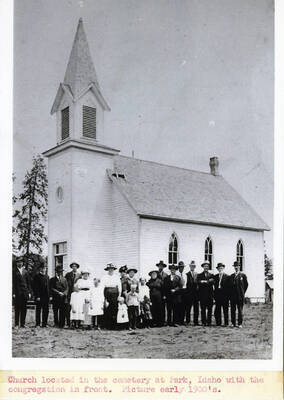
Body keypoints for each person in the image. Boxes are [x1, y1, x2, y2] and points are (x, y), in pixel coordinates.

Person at [12, 256, 32, 328]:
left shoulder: (25, 271)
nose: (19, 263)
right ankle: (17, 324)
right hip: (17, 293)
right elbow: (12, 283)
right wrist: (13, 293)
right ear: (16, 263)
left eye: (20, 262)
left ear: (22, 263)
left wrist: (29, 292)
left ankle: (23, 324)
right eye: (18, 262)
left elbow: (28, 283)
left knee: (24, 309)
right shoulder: (14, 271)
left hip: (25, 293)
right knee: (17, 309)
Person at [101, 263, 121, 329]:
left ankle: (114, 325)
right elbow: (102, 287)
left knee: (114, 309)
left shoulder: (117, 277)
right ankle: (107, 325)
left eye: (112, 269)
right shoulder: (104, 277)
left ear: (114, 269)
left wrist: (119, 295)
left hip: (115, 294)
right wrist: (103, 297)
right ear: (107, 270)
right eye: (109, 269)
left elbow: (119, 287)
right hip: (107, 293)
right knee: (107, 309)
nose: (111, 270)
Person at [229, 261, 248, 328]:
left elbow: (246, 285)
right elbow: (229, 287)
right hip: (233, 296)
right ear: (234, 267)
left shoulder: (243, 276)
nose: (236, 267)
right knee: (232, 310)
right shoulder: (231, 276)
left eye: (237, 266)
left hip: (240, 296)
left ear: (239, 267)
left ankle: (240, 323)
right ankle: (233, 323)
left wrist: (242, 292)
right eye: (235, 266)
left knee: (240, 310)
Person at [197, 261, 214, 326]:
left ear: (208, 267)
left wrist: (204, 281)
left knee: (209, 309)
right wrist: (204, 282)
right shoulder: (200, 275)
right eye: (205, 266)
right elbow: (198, 282)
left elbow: (212, 282)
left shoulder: (211, 275)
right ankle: (203, 322)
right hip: (202, 295)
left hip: (209, 295)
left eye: (207, 266)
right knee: (203, 309)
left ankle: (209, 322)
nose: (206, 267)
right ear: (203, 267)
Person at [32, 263, 50, 327]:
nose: (44, 269)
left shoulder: (47, 276)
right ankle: (38, 323)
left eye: (45, 268)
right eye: (42, 268)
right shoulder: (36, 276)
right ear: (40, 269)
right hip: (39, 296)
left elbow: (48, 287)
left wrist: (49, 296)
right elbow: (35, 287)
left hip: (46, 297)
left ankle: (44, 323)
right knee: (38, 310)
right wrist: (37, 296)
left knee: (46, 310)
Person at [65, 261, 80, 327]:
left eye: (75, 266)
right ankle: (69, 323)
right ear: (71, 267)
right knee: (69, 308)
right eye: (73, 266)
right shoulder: (68, 274)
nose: (74, 267)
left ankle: (76, 323)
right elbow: (65, 284)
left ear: (77, 267)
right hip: (69, 294)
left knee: (77, 307)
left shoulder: (79, 275)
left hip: (76, 294)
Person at [185, 260, 199, 325]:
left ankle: (195, 321)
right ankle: (188, 321)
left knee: (196, 308)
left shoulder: (197, 274)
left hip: (196, 294)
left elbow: (198, 284)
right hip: (189, 293)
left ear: (195, 267)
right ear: (189, 266)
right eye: (191, 266)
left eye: (193, 266)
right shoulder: (187, 274)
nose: (192, 267)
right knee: (188, 308)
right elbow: (186, 284)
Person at [155, 260, 168, 325]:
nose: (161, 267)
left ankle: (162, 321)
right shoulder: (155, 274)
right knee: (157, 307)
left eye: (162, 266)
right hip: (157, 292)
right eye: (160, 266)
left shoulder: (166, 275)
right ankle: (157, 321)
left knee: (163, 307)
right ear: (158, 266)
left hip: (163, 292)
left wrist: (165, 294)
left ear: (163, 267)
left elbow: (166, 285)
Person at [176, 261, 187, 325]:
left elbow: (186, 284)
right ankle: (178, 321)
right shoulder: (176, 275)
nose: (181, 268)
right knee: (178, 306)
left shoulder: (185, 275)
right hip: (178, 291)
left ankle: (182, 321)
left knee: (183, 306)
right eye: (180, 267)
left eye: (182, 267)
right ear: (178, 267)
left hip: (184, 291)